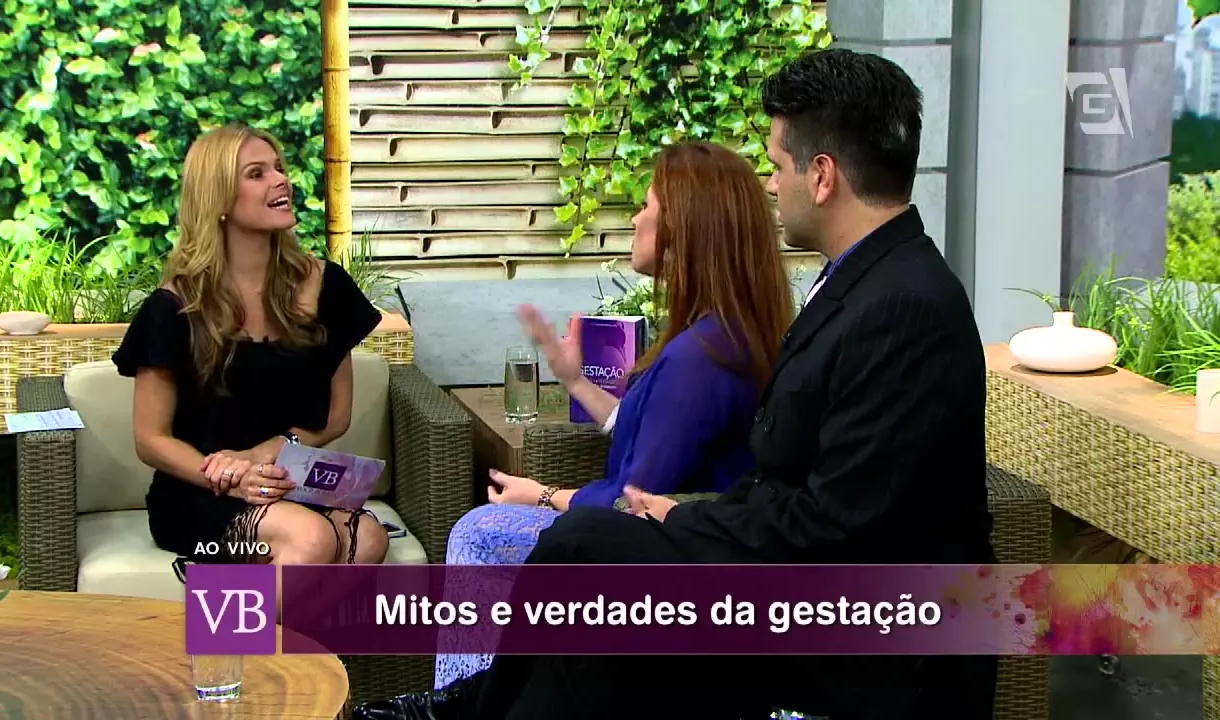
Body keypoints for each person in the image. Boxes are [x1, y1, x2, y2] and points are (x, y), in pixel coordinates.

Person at [354, 49, 997, 720]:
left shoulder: (903, 308)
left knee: (581, 546)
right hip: (802, 577)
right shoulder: (863, 285)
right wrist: (684, 515)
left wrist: (685, 521)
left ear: (822, 175)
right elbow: (788, 485)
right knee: (585, 584)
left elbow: (836, 524)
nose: (772, 186)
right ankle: (471, 705)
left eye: (778, 166)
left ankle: (466, 707)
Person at [433, 140, 795, 688]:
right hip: (690, 538)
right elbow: (657, 429)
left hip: (675, 557)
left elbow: (634, 500)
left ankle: (467, 704)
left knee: (479, 533)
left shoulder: (701, 357)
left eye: (646, 206)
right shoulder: (720, 337)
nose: (634, 218)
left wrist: (545, 495)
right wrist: (576, 380)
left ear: (682, 230)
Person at [113, 125, 390, 577]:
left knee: (369, 537)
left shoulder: (328, 288)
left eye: (279, 168)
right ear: (219, 198)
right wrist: (235, 476)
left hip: (285, 478)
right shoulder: (175, 308)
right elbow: (151, 439)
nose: (281, 180)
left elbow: (336, 417)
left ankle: (239, 609)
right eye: (257, 174)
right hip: (202, 490)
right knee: (312, 538)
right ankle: (220, 617)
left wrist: (263, 455)